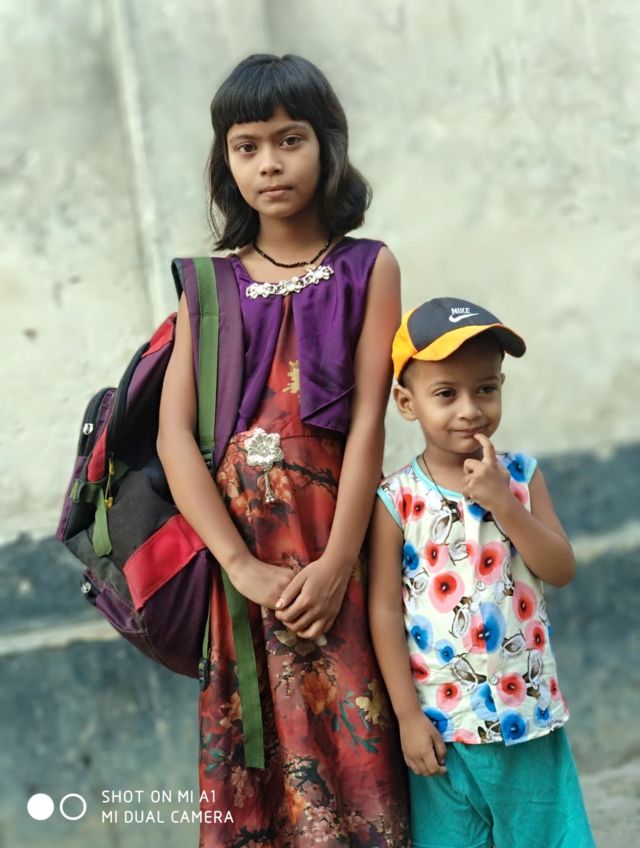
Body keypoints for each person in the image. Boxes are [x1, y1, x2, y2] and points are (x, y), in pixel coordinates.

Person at [157, 54, 409, 847]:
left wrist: (337, 565)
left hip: (339, 552)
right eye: (247, 146)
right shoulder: (208, 289)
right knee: (263, 771)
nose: (268, 163)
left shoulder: (367, 267)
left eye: (289, 140)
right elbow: (173, 436)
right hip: (245, 575)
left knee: (359, 752)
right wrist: (239, 565)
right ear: (226, 162)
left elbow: (367, 421)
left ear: (326, 144)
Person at [369, 297, 595, 848]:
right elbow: (383, 609)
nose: (470, 409)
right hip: (443, 725)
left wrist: (504, 504)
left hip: (526, 715)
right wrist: (407, 717)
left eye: (486, 388)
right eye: (446, 394)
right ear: (406, 403)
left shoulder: (521, 476)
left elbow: (560, 568)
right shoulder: (397, 498)